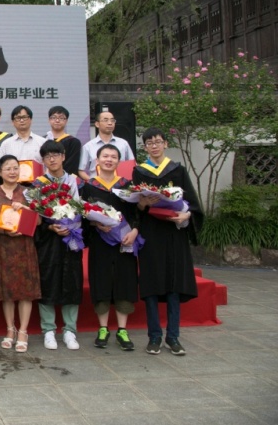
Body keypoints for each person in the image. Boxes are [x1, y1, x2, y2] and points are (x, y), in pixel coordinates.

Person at [134, 128, 203, 356]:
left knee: (174, 284)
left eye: (158, 142)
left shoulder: (177, 170)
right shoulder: (139, 171)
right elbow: (135, 207)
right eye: (149, 143)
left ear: (165, 143)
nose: (154, 146)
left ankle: (173, 336)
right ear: (145, 147)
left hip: (174, 232)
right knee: (151, 285)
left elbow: (192, 202)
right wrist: (143, 204)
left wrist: (187, 215)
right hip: (151, 233)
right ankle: (154, 336)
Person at [83, 144, 140, 352]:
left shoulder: (127, 186)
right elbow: (83, 215)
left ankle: (122, 330)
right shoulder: (88, 187)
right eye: (105, 156)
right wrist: (96, 224)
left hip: (125, 241)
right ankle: (103, 328)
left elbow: (136, 214)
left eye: (113, 157)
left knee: (125, 281)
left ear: (118, 161)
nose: (109, 160)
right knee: (101, 281)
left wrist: (135, 231)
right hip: (101, 243)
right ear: (97, 160)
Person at [31, 140, 83, 351]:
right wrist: (50, 227)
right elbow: (34, 218)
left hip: (72, 238)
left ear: (63, 156)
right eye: (47, 156)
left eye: (55, 155)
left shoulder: (76, 182)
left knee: (72, 281)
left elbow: (85, 209)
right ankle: (49, 330)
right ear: (43, 160)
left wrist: (73, 225)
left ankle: (70, 330)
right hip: (49, 241)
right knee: (48, 281)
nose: (51, 159)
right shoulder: (37, 185)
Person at [0, 154, 41, 353]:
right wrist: (4, 231)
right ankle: (10, 329)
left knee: (26, 291)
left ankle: (23, 331)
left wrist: (26, 208)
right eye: (8, 168)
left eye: (15, 168)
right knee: (7, 291)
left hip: (24, 246)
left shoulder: (29, 193)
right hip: (3, 246)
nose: (12, 172)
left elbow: (39, 221)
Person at [78, 109, 135, 181]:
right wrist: (93, 182)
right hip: (97, 185)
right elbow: (81, 170)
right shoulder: (88, 146)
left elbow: (132, 165)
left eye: (112, 120)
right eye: (106, 120)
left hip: (120, 184)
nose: (110, 123)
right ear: (97, 124)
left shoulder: (123, 144)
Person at [44, 106, 82, 176]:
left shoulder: (73, 142)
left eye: (61, 118)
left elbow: (72, 166)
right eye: (54, 117)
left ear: (66, 121)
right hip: (42, 179)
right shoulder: (43, 140)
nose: (57, 120)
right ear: (49, 120)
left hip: (65, 180)